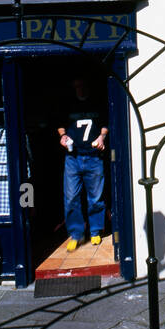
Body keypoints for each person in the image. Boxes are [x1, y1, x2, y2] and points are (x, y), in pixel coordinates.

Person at [58, 75, 108, 251]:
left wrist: (102, 137)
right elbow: (60, 125)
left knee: (95, 198)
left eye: (82, 85)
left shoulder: (97, 103)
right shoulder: (68, 103)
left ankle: (95, 231)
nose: (80, 89)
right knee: (71, 198)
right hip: (73, 157)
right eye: (76, 85)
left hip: (94, 156)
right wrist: (63, 136)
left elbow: (105, 124)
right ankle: (76, 234)